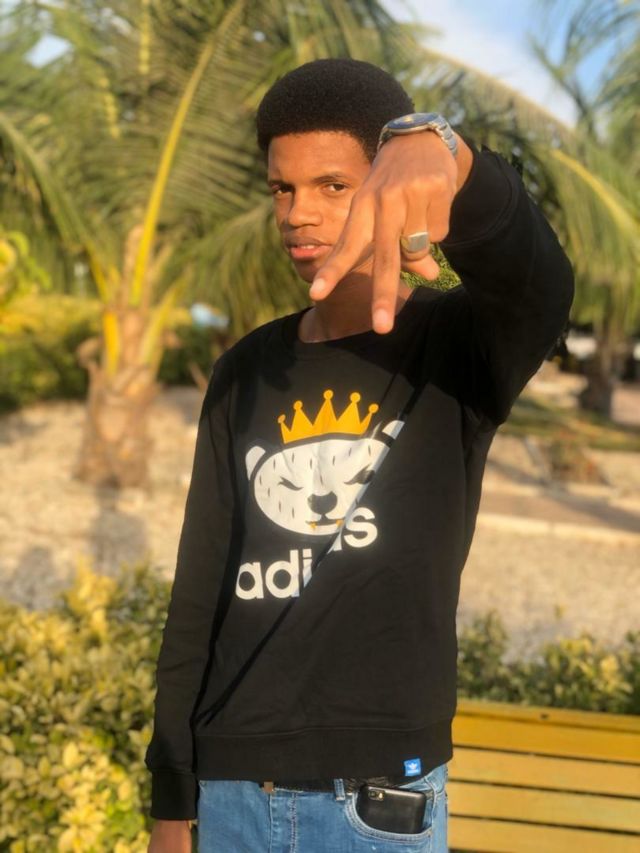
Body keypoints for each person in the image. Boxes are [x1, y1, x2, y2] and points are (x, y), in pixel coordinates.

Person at [146, 58, 574, 852]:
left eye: (333, 185)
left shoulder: (456, 346)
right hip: (231, 793)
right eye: (283, 188)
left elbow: (539, 281)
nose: (299, 212)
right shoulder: (245, 370)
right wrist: (171, 799)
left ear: (387, 182)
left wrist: (445, 150)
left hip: (377, 803)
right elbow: (199, 593)